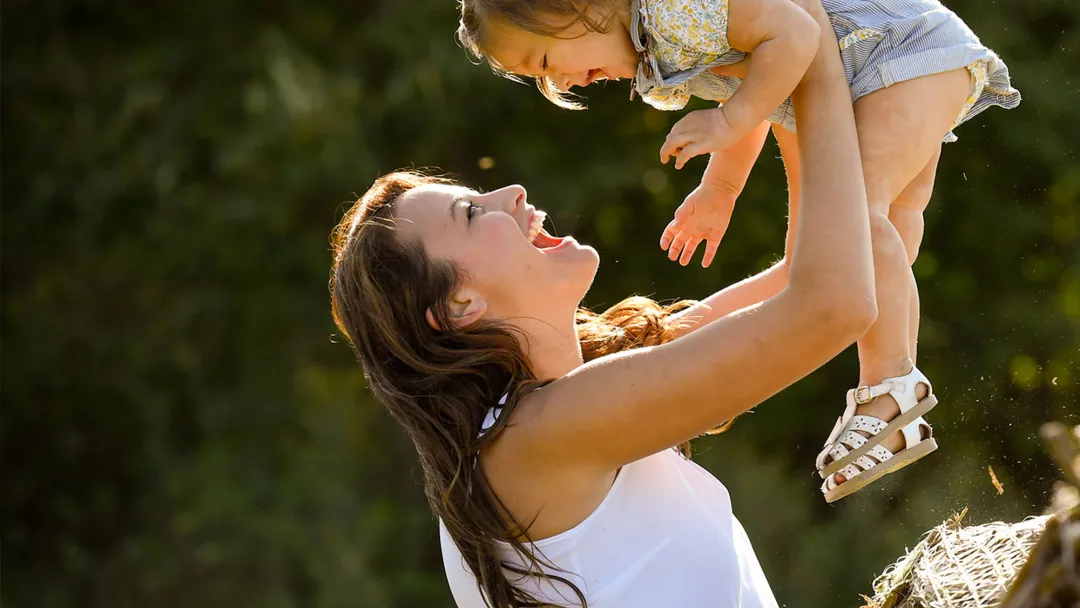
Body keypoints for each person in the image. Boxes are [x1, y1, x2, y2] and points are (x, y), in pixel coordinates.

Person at [329, 2, 873, 605]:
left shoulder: (564, 402)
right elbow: (835, 303)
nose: (511, 192)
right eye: (471, 212)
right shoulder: (532, 440)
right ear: (459, 305)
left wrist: (777, 69)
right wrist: (810, 39)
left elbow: (813, 271)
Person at [456, 0, 1020, 501]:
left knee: (853, 228)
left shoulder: (671, 11)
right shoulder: (660, 44)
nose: (568, 85)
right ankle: (684, 342)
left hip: (890, 54)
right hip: (886, 65)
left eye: (548, 64)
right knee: (879, 233)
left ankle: (892, 390)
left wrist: (728, 124)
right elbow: (754, 78)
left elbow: (793, 34)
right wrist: (722, 187)